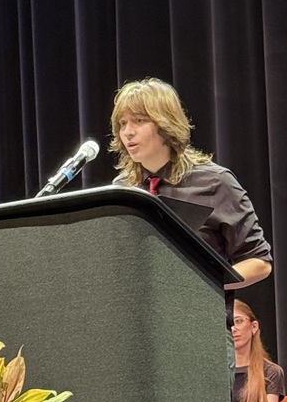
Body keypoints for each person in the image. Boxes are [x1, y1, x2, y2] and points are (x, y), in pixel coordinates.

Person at [110, 78, 272, 330]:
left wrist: (204, 283)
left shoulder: (215, 182)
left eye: (139, 121)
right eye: (122, 124)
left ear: (165, 124)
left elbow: (259, 262)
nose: (128, 132)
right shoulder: (121, 189)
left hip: (201, 330)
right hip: (139, 332)